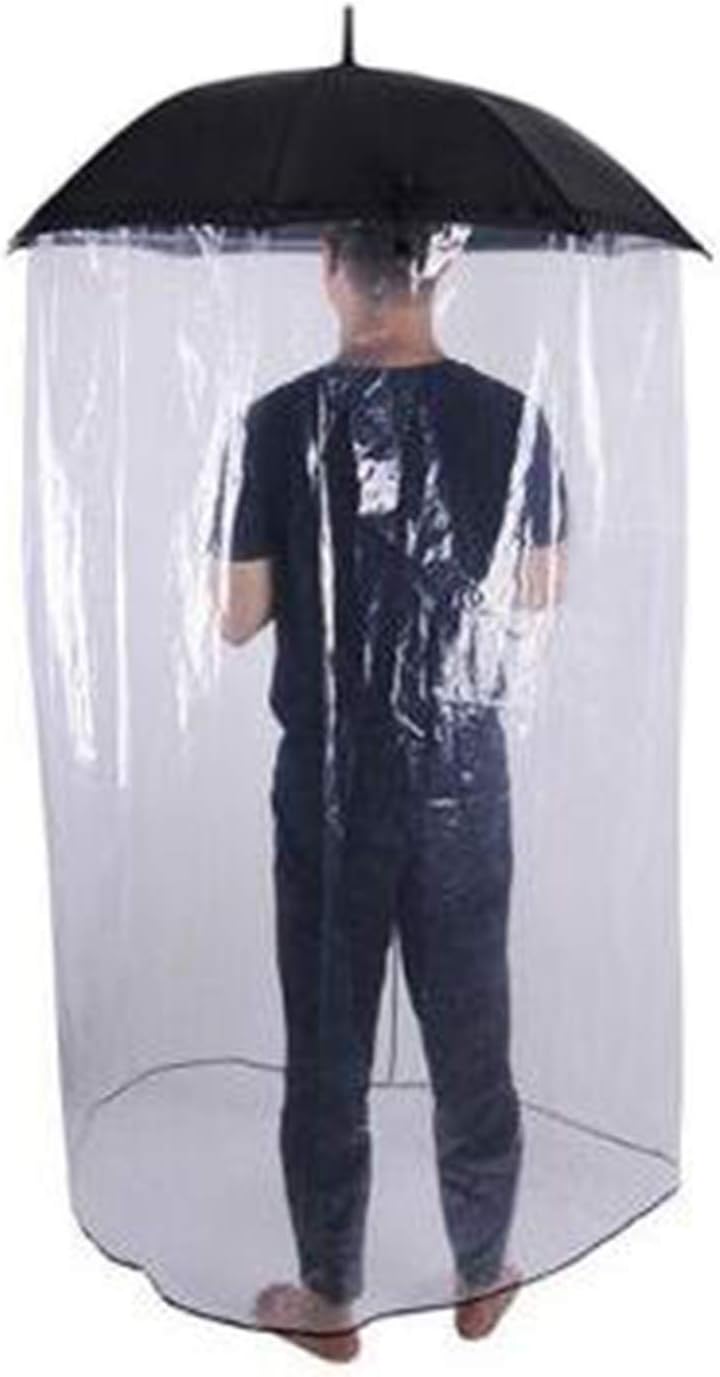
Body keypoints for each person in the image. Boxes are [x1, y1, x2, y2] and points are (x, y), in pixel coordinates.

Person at [206, 220, 569, 1361]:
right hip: (461, 780)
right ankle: (483, 1270)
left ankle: (330, 1296)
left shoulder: (276, 422)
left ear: (331, 268)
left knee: (328, 1048)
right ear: (442, 265)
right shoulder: (513, 418)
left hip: (329, 788)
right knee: (472, 1035)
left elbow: (237, 619)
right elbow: (539, 590)